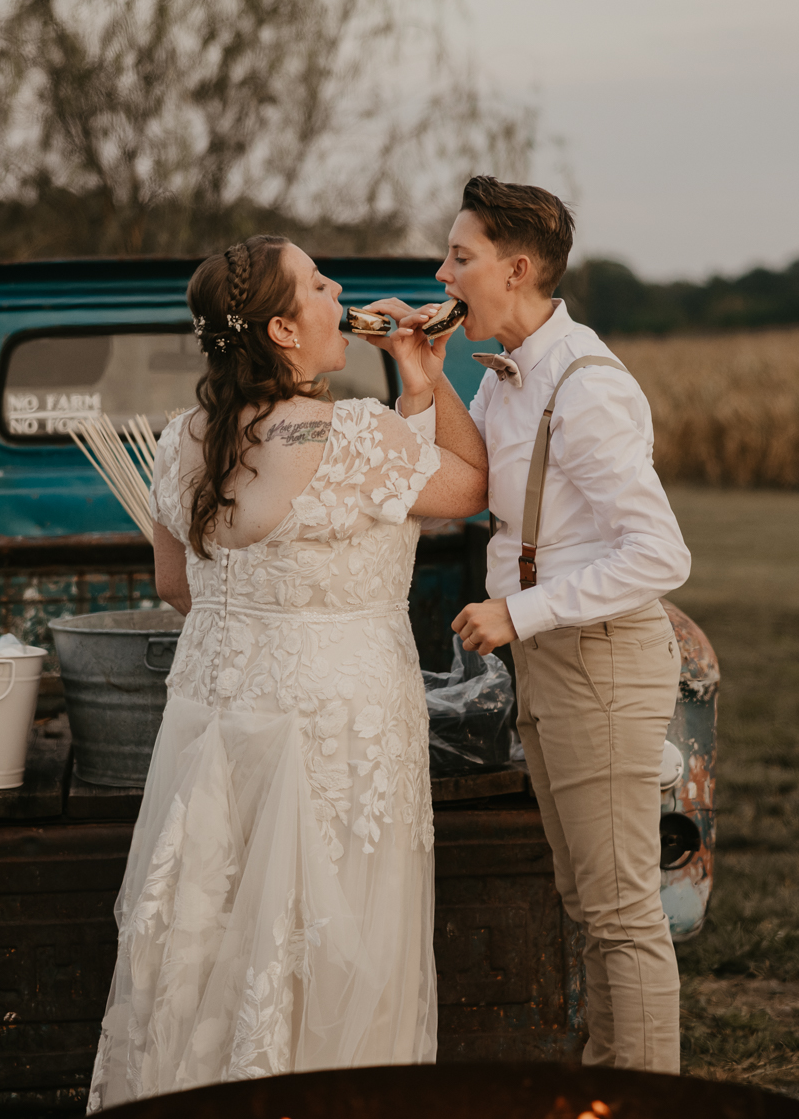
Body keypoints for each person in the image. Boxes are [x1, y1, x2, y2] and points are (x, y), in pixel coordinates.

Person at [86, 235, 487, 1111]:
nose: (338, 287)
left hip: (216, 722)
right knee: (326, 941)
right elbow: (467, 487)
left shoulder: (181, 436)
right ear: (282, 326)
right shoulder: (351, 431)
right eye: (317, 280)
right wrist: (422, 373)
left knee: (211, 936)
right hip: (339, 729)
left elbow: (172, 585)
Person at [362, 177, 691, 1075]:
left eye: (458, 258)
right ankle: (605, 1084)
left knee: (621, 910)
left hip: (601, 660)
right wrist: (422, 378)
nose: (441, 272)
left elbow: (661, 555)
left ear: (514, 270)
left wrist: (519, 610)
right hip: (552, 660)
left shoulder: (585, 385)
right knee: (585, 899)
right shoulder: (508, 372)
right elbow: (465, 478)